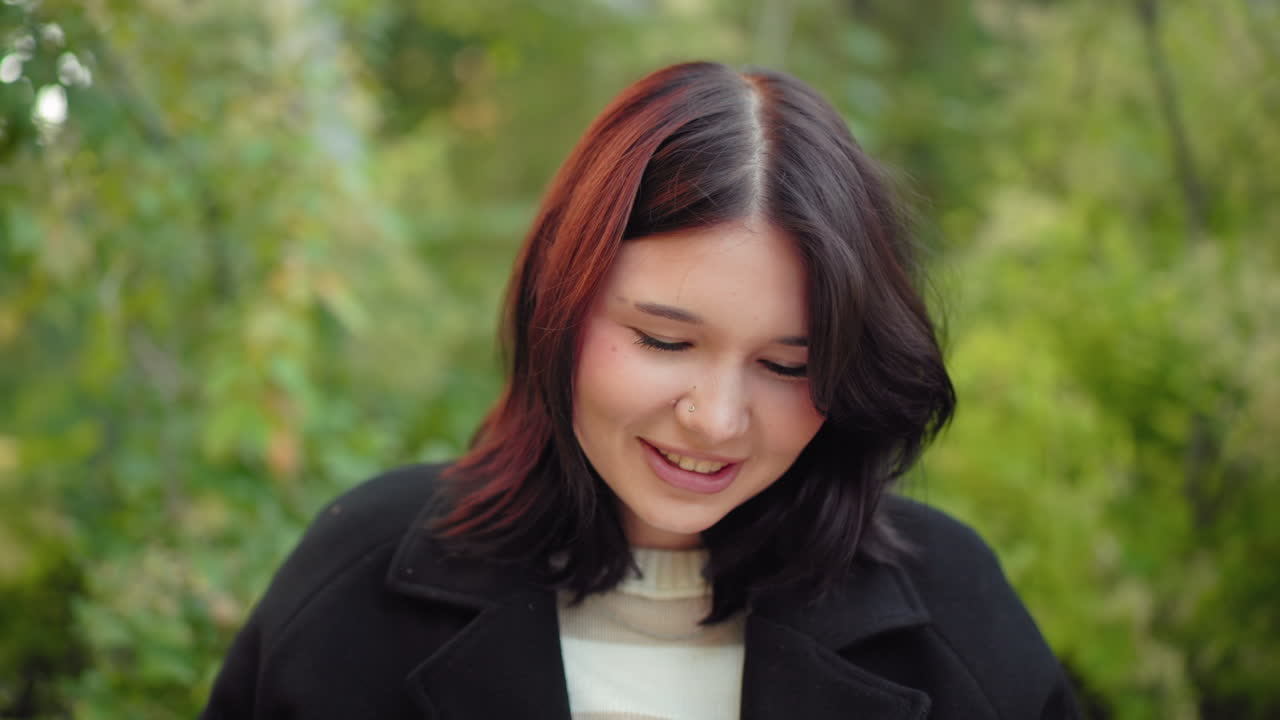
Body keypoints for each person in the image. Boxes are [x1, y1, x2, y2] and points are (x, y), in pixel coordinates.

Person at [201, 61, 1078, 719]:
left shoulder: (956, 617)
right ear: (562, 305)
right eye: (664, 339)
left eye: (786, 365)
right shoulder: (355, 584)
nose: (717, 418)